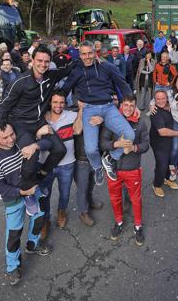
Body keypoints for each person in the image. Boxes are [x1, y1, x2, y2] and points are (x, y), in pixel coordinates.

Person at [0, 47, 69, 215]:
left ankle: (40, 177)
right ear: (32, 61)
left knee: (60, 149)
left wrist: (92, 60)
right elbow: (3, 107)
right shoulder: (20, 82)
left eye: (46, 62)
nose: (43, 64)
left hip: (39, 122)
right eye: (39, 61)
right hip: (21, 124)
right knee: (31, 156)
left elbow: (69, 68)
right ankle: (28, 192)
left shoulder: (51, 75)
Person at [61, 41, 135, 185]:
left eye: (90, 53)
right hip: (89, 109)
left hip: (108, 107)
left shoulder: (106, 66)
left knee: (130, 135)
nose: (87, 57)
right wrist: (74, 103)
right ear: (80, 55)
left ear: (95, 53)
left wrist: (133, 103)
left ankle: (110, 158)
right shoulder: (76, 71)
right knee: (90, 149)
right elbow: (65, 89)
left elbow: (122, 83)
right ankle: (97, 167)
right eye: (84, 54)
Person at [0, 123, 51, 286]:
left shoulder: (20, 142)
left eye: (11, 134)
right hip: (14, 199)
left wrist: (35, 144)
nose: (10, 140)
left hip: (32, 191)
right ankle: (12, 267)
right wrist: (22, 193)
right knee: (14, 234)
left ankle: (32, 245)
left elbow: (48, 143)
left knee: (38, 219)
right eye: (5, 137)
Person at [100, 95, 150, 245]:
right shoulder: (112, 121)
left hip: (132, 169)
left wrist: (134, 147)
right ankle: (119, 222)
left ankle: (138, 226)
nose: (128, 108)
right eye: (125, 105)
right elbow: (103, 143)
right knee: (115, 199)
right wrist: (117, 144)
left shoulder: (141, 123)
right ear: (121, 105)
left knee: (136, 199)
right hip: (113, 169)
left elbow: (146, 145)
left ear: (135, 106)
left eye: (131, 105)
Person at [38, 91, 82, 229]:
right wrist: (39, 133)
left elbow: (78, 130)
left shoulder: (71, 115)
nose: (58, 105)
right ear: (50, 102)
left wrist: (81, 110)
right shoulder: (41, 118)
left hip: (67, 164)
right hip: (45, 165)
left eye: (62, 102)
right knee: (45, 195)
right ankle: (45, 220)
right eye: (55, 102)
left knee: (65, 193)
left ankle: (61, 212)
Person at [71, 103, 104, 229]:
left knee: (91, 184)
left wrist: (102, 119)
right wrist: (81, 110)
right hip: (81, 160)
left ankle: (89, 202)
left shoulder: (99, 111)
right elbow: (77, 130)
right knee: (82, 188)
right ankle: (83, 212)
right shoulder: (76, 113)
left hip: (95, 159)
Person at [149, 90, 178, 197]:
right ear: (154, 100)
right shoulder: (155, 112)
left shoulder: (171, 106)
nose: (161, 101)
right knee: (162, 164)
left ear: (167, 98)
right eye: (158, 99)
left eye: (163, 98)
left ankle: (167, 178)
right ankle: (157, 184)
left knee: (172, 161)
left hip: (171, 141)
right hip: (159, 143)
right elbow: (162, 131)